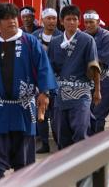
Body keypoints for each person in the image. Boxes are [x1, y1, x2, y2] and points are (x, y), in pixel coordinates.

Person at [0, 3, 56, 183]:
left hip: (24, 109)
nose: (12, 21)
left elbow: (43, 69)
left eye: (13, 17)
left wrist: (45, 93)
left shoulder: (30, 42)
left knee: (24, 163)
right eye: (6, 18)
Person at [47, 5, 101, 149]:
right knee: (62, 134)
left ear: (79, 22)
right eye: (68, 19)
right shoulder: (55, 42)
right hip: (61, 93)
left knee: (81, 130)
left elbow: (94, 66)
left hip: (81, 91)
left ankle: (84, 165)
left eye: (75, 19)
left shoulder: (87, 40)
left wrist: (97, 90)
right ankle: (65, 166)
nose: (71, 22)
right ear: (62, 21)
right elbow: (49, 69)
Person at [33, 8, 62, 154]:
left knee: (57, 114)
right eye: (48, 18)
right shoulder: (33, 37)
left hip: (57, 80)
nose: (51, 21)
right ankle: (44, 143)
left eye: (54, 18)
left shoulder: (62, 37)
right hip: (39, 81)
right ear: (42, 20)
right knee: (41, 112)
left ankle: (59, 141)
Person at [83, 10, 109, 133]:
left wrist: (84, 59)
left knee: (99, 112)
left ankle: (97, 142)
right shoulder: (82, 35)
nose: (88, 25)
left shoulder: (108, 37)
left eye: (91, 22)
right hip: (85, 79)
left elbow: (102, 59)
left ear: (98, 22)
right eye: (86, 22)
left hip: (102, 78)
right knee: (86, 112)